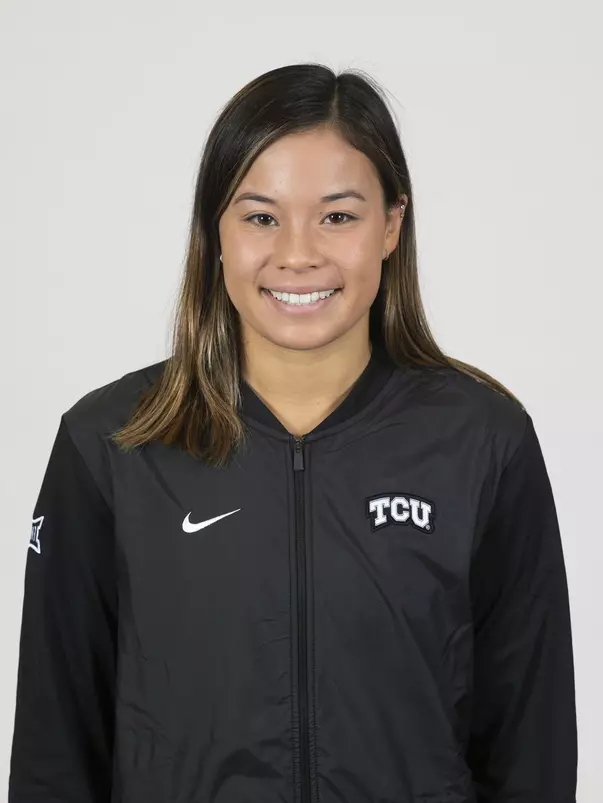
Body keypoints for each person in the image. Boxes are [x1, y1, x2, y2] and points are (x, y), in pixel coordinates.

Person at [9, 63, 577, 803]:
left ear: (391, 227)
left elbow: (530, 749)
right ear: (215, 230)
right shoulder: (110, 444)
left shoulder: (482, 443)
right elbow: (54, 751)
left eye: (337, 215)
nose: (297, 252)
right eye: (260, 216)